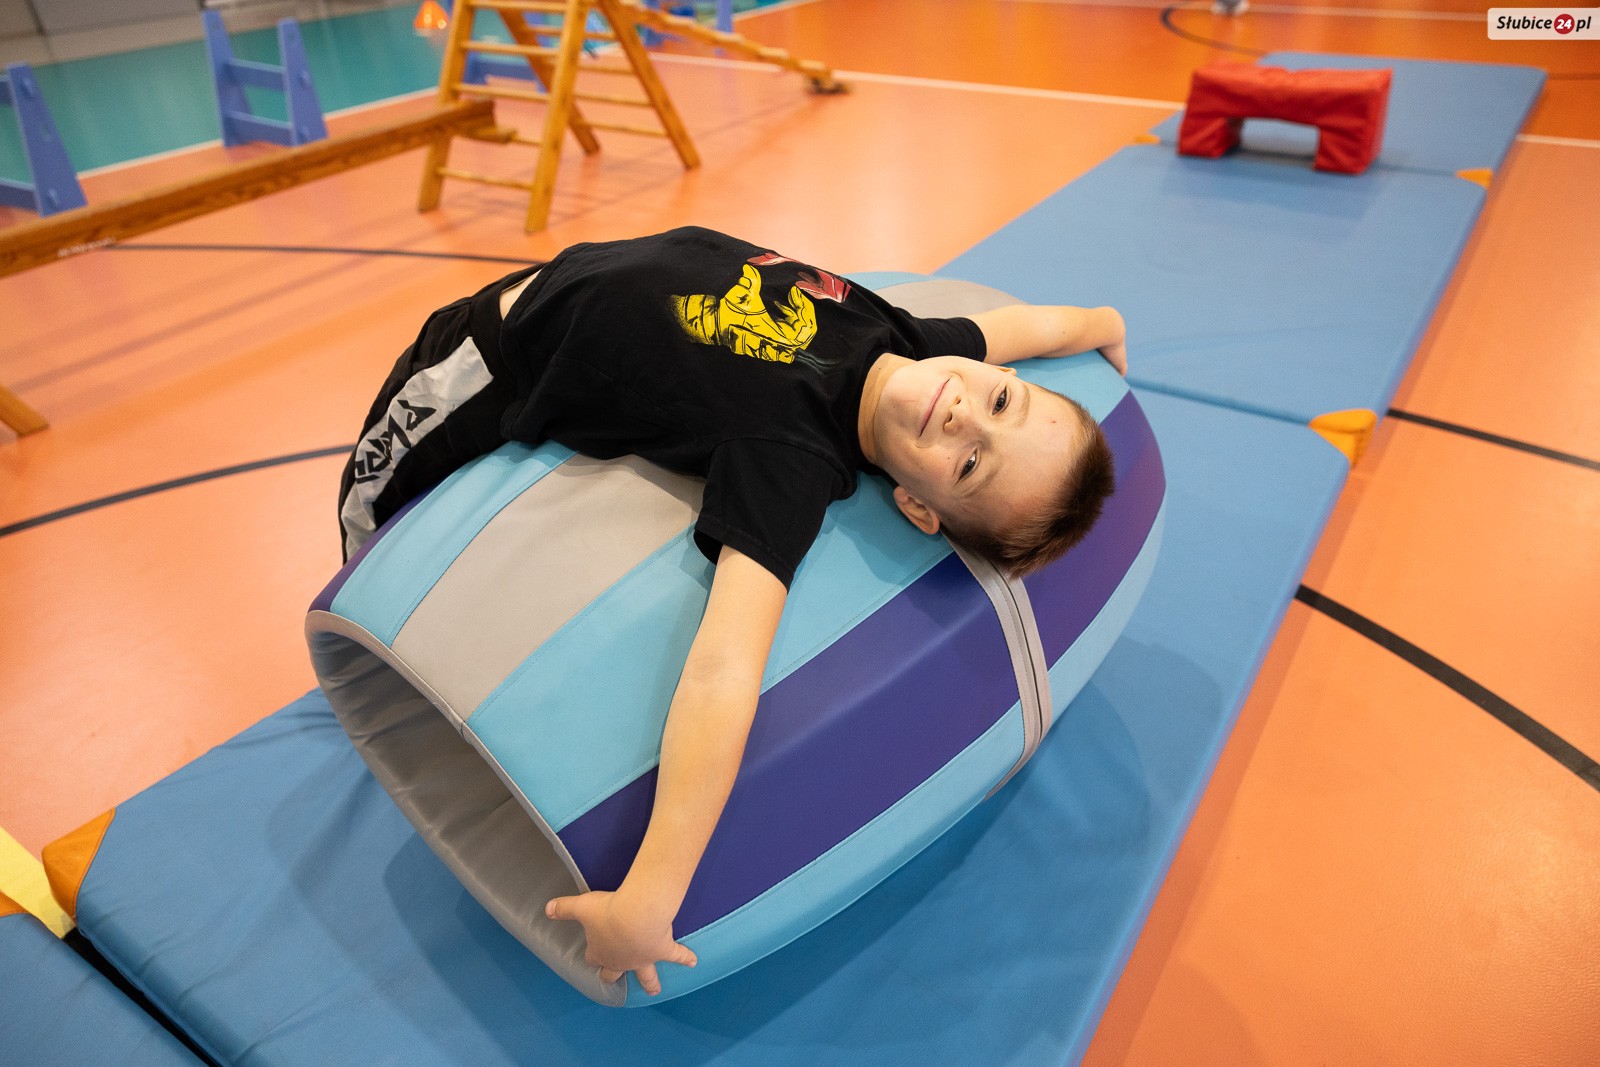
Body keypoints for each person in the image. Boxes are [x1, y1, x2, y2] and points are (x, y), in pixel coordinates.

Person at [336, 226, 1126, 995]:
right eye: (1001, 399)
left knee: (363, 511)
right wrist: (1102, 323)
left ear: (919, 507)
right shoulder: (911, 338)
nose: (966, 415)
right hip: (563, 275)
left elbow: (725, 668)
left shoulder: (791, 459)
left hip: (493, 351)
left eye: (972, 463)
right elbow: (1024, 328)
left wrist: (651, 893)